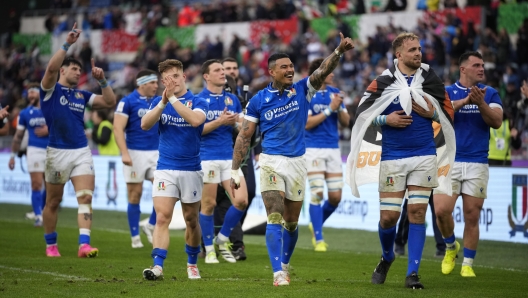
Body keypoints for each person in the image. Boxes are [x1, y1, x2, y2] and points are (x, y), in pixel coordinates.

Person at [231, 32, 355, 286]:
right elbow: (244, 136)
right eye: (284, 67)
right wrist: (235, 169)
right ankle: (278, 272)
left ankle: (285, 264)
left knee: (291, 222)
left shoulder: (302, 90)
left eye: (291, 66)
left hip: (298, 162)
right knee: (274, 215)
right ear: (272, 72)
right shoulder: (258, 101)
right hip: (271, 161)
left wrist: (339, 52)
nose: (290, 70)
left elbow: (322, 70)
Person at [345, 32, 456, 289]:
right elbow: (361, 113)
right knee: (388, 219)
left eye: (420, 49)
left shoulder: (430, 79)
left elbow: (447, 112)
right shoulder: (383, 81)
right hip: (393, 157)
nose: (419, 53)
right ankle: (387, 256)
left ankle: (413, 274)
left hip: (424, 154)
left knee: (417, 211)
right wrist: (387, 120)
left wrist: (432, 114)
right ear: (399, 55)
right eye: (413, 50)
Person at [39, 23, 116, 258]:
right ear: (63, 71)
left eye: (78, 70)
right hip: (57, 152)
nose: (76, 73)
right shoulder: (50, 91)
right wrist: (67, 44)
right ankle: (51, 245)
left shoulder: (81, 95)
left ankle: (84, 245)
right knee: (53, 201)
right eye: (73, 69)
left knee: (85, 197)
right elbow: (51, 69)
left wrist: (102, 81)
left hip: (81, 151)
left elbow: (109, 102)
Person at [434, 51, 503, 278]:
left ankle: (467, 264)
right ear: (463, 69)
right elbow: (440, 115)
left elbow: (496, 121)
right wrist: (466, 101)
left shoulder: (490, 93)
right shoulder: (447, 92)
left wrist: (481, 103)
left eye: (482, 65)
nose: (481, 69)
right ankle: (451, 246)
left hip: (477, 162)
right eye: (476, 65)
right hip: (449, 160)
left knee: (472, 215)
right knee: (442, 211)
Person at [140, 59, 208, 280]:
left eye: (176, 76)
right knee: (162, 217)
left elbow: (196, 120)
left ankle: (192, 262)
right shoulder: (160, 103)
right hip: (166, 168)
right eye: (168, 78)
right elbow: (145, 124)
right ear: (163, 81)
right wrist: (162, 103)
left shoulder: (199, 101)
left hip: (191, 169)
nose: (173, 81)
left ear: (184, 76)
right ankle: (157, 266)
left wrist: (172, 99)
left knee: (191, 220)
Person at [197, 59, 246, 264]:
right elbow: (196, 130)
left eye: (223, 70)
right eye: (217, 70)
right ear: (206, 76)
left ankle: (222, 238)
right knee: (208, 204)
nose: (222, 73)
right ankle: (209, 249)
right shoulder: (198, 100)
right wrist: (219, 121)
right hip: (206, 158)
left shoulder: (232, 99)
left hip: (229, 158)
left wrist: (238, 121)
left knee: (241, 200)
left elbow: (243, 126)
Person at [304, 57, 350, 252]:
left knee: (335, 198)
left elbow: (346, 123)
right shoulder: (306, 94)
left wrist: (339, 107)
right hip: (312, 149)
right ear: (321, 72)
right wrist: (330, 110)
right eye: (330, 70)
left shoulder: (335, 94)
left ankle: (315, 223)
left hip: (333, 148)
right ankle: (319, 239)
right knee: (317, 193)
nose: (333, 73)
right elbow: (307, 124)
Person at [114, 69, 160, 249]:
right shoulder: (127, 102)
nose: (156, 86)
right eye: (153, 83)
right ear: (142, 84)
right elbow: (118, 129)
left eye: (157, 83)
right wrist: (124, 152)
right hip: (134, 152)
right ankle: (135, 237)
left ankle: (150, 225)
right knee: (135, 194)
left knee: (164, 192)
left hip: (157, 152)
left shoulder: (158, 102)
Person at [8, 83, 49, 227]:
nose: (30, 95)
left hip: (52, 150)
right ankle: (38, 216)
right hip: (34, 150)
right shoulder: (24, 113)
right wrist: (13, 155)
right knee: (37, 184)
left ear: (40, 93)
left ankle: (44, 212)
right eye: (28, 93)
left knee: (50, 186)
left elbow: (63, 125)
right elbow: (18, 136)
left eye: (33, 92)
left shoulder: (50, 108)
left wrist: (49, 129)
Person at [394, 193, 446, 258]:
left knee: (439, 214)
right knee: (409, 211)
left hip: (436, 186)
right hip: (417, 185)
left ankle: (443, 247)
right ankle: (399, 243)